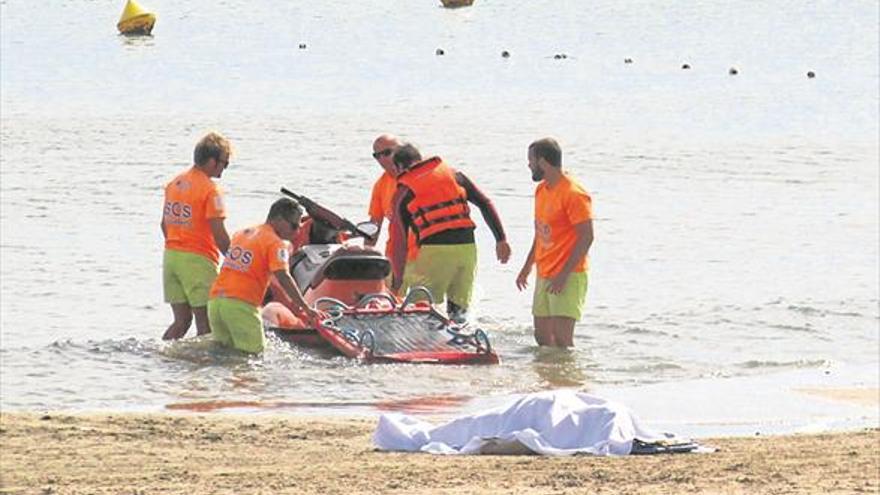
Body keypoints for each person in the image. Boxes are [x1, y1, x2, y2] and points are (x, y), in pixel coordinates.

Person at [388, 143, 511, 321]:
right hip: (467, 249)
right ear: (420, 159)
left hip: (435, 253)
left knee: (419, 310)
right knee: (459, 311)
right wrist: (501, 239)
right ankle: (463, 340)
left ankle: (425, 343)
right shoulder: (454, 175)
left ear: (399, 167)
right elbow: (485, 203)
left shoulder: (403, 192)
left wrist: (397, 281)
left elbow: (399, 243)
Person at [207, 198, 325, 354]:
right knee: (253, 357)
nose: (297, 232)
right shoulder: (275, 243)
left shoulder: (242, 233)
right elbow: (283, 277)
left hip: (216, 303)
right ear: (279, 220)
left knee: (223, 355)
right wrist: (306, 308)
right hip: (241, 305)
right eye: (294, 226)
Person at [516, 138, 594, 348]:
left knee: (562, 340)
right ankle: (549, 379)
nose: (529, 165)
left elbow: (587, 237)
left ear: (542, 162)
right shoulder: (541, 190)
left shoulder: (574, 193)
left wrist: (563, 275)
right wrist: (527, 267)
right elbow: (540, 232)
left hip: (569, 273)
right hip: (545, 272)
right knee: (542, 338)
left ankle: (569, 379)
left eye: (531, 160)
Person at [160, 132, 233, 340]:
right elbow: (220, 236)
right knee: (206, 323)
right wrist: (236, 262)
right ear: (211, 161)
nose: (224, 169)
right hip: (197, 261)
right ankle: (205, 371)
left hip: (171, 258)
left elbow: (163, 224)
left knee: (181, 322)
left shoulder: (174, 184)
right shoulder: (211, 190)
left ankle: (162, 361)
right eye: (224, 163)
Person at [365, 134, 419, 268]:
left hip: (424, 251)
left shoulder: (419, 176)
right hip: (396, 254)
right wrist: (365, 253)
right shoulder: (380, 185)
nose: (382, 159)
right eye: (377, 156)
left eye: (387, 153)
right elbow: (374, 226)